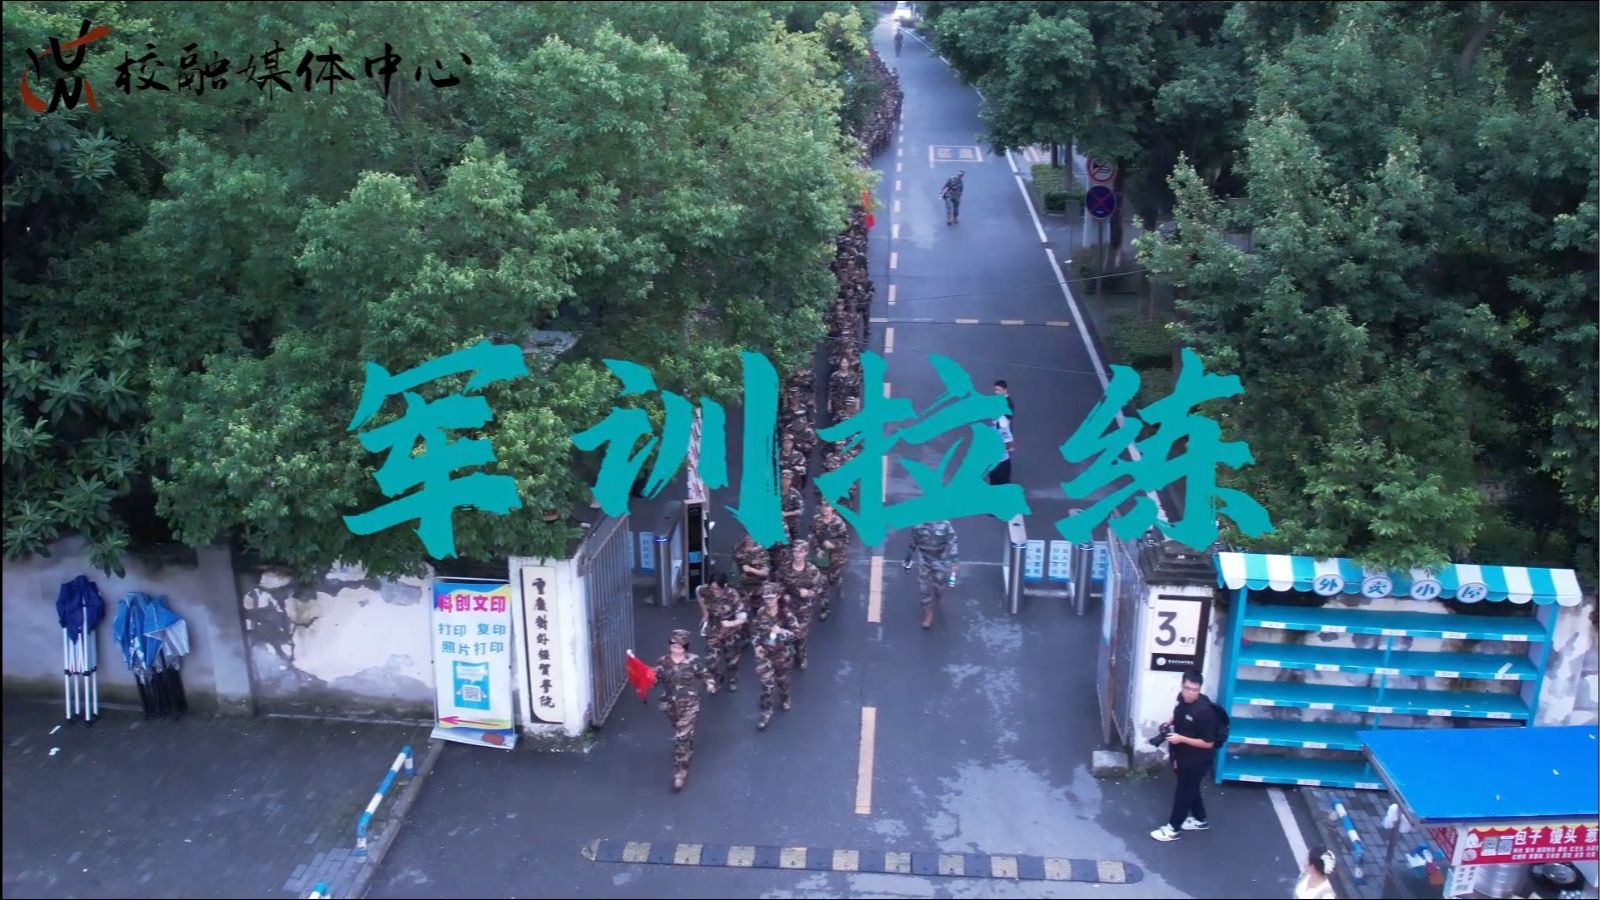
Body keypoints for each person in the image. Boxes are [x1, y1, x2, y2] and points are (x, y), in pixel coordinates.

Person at [1150, 669, 1220, 841]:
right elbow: (1178, 712)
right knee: (1190, 787)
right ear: (1182, 685)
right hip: (1182, 754)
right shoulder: (1182, 699)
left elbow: (1208, 743)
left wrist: (1181, 738)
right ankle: (1200, 819)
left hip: (1197, 759)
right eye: (1187, 688)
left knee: (1183, 792)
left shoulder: (1205, 712)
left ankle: (1173, 829)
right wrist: (1168, 722)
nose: (1190, 693)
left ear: (1200, 689)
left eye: (1195, 690)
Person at [653, 629, 717, 791]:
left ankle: (680, 772)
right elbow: (656, 679)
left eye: (679, 646)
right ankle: (687, 744)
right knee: (680, 731)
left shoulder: (693, 661)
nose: (675, 649)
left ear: (685, 647)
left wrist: (710, 684)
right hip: (669, 704)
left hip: (689, 704)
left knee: (680, 737)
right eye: (673, 645)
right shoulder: (663, 661)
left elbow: (705, 675)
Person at [752, 582, 799, 731]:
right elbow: (755, 631)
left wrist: (782, 632)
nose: (769, 601)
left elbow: (797, 633)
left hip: (782, 654)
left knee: (783, 682)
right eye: (766, 598)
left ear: (778, 596)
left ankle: (785, 697)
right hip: (765, 655)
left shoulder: (786, 614)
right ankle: (766, 712)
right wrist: (757, 645)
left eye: (771, 597)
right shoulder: (761, 612)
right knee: (767, 685)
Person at [904, 519, 959, 629]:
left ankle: (940, 595)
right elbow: (912, 544)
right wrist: (907, 560)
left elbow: (953, 541)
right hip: (924, 560)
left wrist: (954, 561)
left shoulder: (945, 524)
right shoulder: (917, 525)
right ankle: (928, 615)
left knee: (939, 586)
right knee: (924, 589)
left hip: (940, 559)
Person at [780, 539, 825, 670]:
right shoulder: (784, 568)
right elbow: (777, 584)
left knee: (801, 635)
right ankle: (788, 654)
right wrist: (783, 594)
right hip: (787, 607)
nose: (797, 554)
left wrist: (809, 593)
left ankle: (802, 656)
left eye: (800, 552)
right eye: (795, 551)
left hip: (804, 608)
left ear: (805, 552)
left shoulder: (812, 570)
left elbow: (819, 588)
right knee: (787, 633)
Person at [698, 574, 747, 692]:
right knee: (710, 661)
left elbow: (742, 616)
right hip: (713, 630)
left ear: (724, 586)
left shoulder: (732, 594)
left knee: (732, 659)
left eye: (717, 589)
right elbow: (698, 593)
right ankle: (717, 677)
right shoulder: (705, 590)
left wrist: (731, 623)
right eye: (712, 588)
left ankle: (733, 679)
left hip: (731, 631)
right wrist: (705, 613)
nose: (714, 591)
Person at [811, 501, 850, 620]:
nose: (824, 508)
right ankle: (825, 609)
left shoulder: (839, 522)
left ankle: (839, 585)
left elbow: (845, 540)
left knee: (834, 580)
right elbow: (813, 536)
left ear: (832, 508)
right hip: (822, 557)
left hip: (836, 558)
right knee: (822, 584)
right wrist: (817, 549)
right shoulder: (816, 520)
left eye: (827, 506)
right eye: (822, 506)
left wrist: (832, 544)